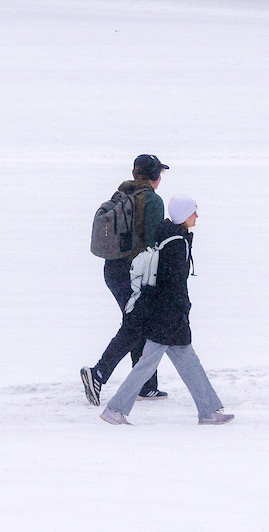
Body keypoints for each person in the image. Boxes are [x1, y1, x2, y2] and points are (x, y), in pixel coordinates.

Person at [97, 200, 233, 426]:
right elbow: (173, 285)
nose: (197, 216)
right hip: (168, 317)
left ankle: (209, 411)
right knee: (149, 365)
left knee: (186, 364)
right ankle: (115, 409)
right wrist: (181, 311)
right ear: (183, 215)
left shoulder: (171, 238)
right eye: (193, 212)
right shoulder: (176, 245)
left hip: (166, 315)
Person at [81, 154, 169, 406]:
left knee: (138, 322)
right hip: (134, 272)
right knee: (136, 325)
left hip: (112, 269)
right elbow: (153, 243)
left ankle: (146, 385)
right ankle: (98, 374)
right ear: (155, 176)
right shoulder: (152, 200)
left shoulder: (121, 195)